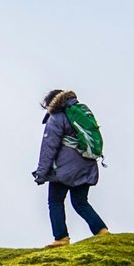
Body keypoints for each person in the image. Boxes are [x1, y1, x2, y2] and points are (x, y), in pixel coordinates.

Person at [33, 89, 110, 247]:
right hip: (87, 166)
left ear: (51, 104)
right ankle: (102, 231)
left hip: (64, 170)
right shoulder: (78, 114)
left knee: (55, 201)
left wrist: (41, 173)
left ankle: (61, 238)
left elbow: (49, 148)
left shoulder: (56, 118)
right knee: (80, 202)